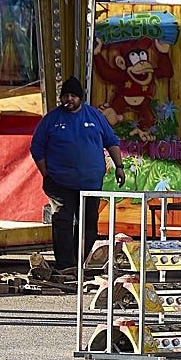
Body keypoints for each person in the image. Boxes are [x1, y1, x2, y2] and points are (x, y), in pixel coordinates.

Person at [30, 76, 124, 273]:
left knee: (89, 223)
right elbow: (37, 147)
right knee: (63, 221)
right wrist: (45, 172)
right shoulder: (52, 119)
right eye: (66, 96)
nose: (69, 99)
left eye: (73, 96)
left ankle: (84, 262)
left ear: (80, 97)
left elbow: (111, 140)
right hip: (59, 183)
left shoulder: (95, 116)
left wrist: (119, 166)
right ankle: (66, 265)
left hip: (90, 183)